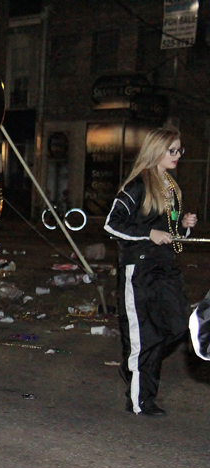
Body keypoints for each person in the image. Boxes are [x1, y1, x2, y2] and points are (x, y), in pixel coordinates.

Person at [104, 127, 196, 417]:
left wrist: (184, 225)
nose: (177, 156)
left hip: (167, 268)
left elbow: (169, 230)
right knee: (146, 336)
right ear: (156, 150)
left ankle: (132, 368)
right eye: (172, 150)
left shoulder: (170, 186)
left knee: (178, 326)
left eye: (180, 150)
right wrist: (149, 234)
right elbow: (111, 223)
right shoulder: (137, 185)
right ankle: (141, 400)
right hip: (140, 269)